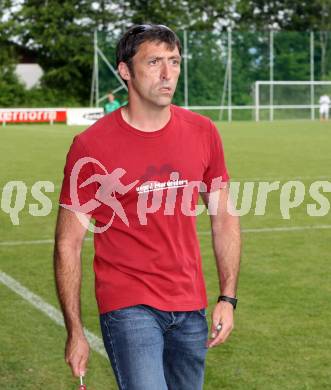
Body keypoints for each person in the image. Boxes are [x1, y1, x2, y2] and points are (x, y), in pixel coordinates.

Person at [54, 24, 241, 390]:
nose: (168, 73)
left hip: (190, 305)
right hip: (128, 306)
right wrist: (75, 330)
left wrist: (227, 297)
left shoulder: (203, 132)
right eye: (154, 62)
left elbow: (224, 218)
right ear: (125, 71)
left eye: (174, 61)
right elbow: (68, 243)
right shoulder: (91, 146)